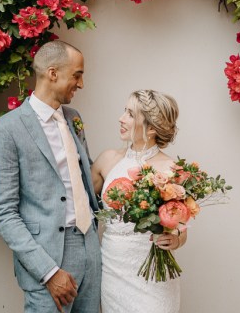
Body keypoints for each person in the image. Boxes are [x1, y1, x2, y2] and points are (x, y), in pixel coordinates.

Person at [0, 40, 101, 313]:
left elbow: (85, 181)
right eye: (77, 75)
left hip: (91, 248)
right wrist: (49, 272)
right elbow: (4, 213)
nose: (81, 84)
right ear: (53, 73)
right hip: (49, 257)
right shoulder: (6, 130)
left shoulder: (74, 118)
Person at [91, 89, 187, 313]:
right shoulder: (107, 160)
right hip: (113, 267)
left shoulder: (171, 169)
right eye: (124, 111)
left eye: (131, 114)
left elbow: (181, 227)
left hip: (152, 271)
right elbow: (80, 202)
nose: (121, 118)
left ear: (152, 128)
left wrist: (176, 241)